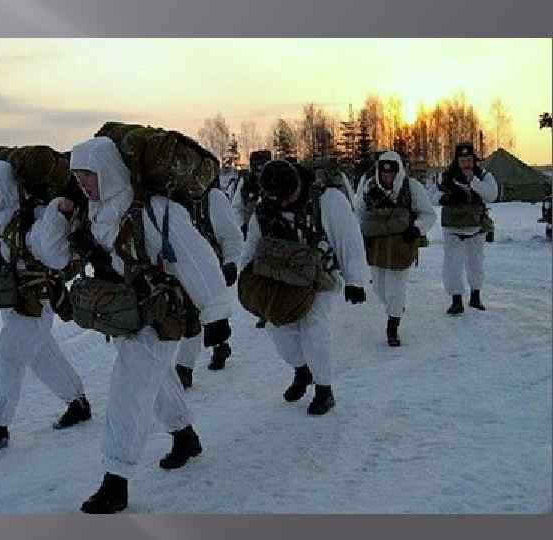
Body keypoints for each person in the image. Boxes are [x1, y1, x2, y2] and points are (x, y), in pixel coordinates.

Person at [69, 136, 231, 514]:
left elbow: (198, 258)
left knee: (128, 389)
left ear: (108, 170)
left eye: (88, 175)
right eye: (78, 177)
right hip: (126, 314)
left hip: (160, 316)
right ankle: (185, 436)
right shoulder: (94, 214)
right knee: (155, 381)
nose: (83, 184)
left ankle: (116, 479)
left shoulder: (156, 211)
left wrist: (217, 314)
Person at [0, 160, 91, 453]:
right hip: (12, 300)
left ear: (4, 188)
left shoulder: (34, 217)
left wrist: (57, 216)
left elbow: (55, 257)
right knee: (43, 355)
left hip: (35, 301)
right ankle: (78, 403)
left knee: (7, 358)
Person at [239, 160, 368, 416]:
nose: (283, 204)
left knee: (313, 328)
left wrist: (356, 281)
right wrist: (245, 277)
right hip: (280, 279)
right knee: (279, 329)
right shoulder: (265, 209)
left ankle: (324, 388)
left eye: (287, 197)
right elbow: (253, 244)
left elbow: (348, 238)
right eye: (278, 199)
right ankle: (302, 370)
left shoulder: (327, 200)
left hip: (319, 277)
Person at [354, 151, 437, 346]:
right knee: (378, 288)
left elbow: (428, 214)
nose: (387, 176)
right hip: (376, 247)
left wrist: (416, 229)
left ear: (398, 171)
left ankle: (392, 327)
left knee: (394, 289)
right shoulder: (367, 188)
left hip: (401, 247)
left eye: (391, 172)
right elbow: (359, 214)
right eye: (383, 172)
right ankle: (396, 309)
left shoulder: (412, 188)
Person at [173, 179, 244, 388]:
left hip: (209, 268)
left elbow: (232, 236)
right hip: (181, 269)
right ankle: (220, 345)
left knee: (199, 314)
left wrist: (230, 262)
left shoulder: (212, 198)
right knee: (193, 315)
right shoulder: (165, 201)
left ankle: (184, 368)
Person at [434, 143, 498, 314]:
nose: (466, 163)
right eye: (462, 160)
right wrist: (446, 195)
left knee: (476, 263)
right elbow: (434, 195)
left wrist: (474, 182)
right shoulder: (446, 176)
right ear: (457, 160)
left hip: (476, 228)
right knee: (452, 265)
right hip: (452, 229)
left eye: (469, 159)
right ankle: (456, 300)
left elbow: (492, 195)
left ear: (473, 159)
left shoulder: (483, 176)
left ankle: (475, 297)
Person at [232, 150, 271, 239]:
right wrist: (241, 227)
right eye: (257, 168)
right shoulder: (246, 183)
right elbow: (236, 208)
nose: (260, 172)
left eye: (263, 167)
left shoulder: (274, 181)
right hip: (249, 230)